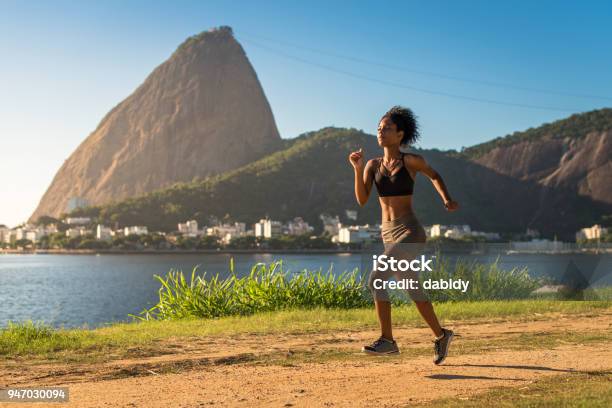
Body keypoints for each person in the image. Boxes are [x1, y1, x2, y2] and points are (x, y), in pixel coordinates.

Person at [348, 106, 459, 364]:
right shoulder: (372, 165)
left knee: (376, 278)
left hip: (410, 231)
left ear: (400, 134)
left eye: (387, 128)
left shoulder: (411, 161)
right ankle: (442, 335)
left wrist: (447, 199)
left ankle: (387, 340)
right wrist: (357, 167)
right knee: (412, 288)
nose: (381, 132)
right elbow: (362, 200)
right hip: (388, 234)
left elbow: (435, 175)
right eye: (379, 128)